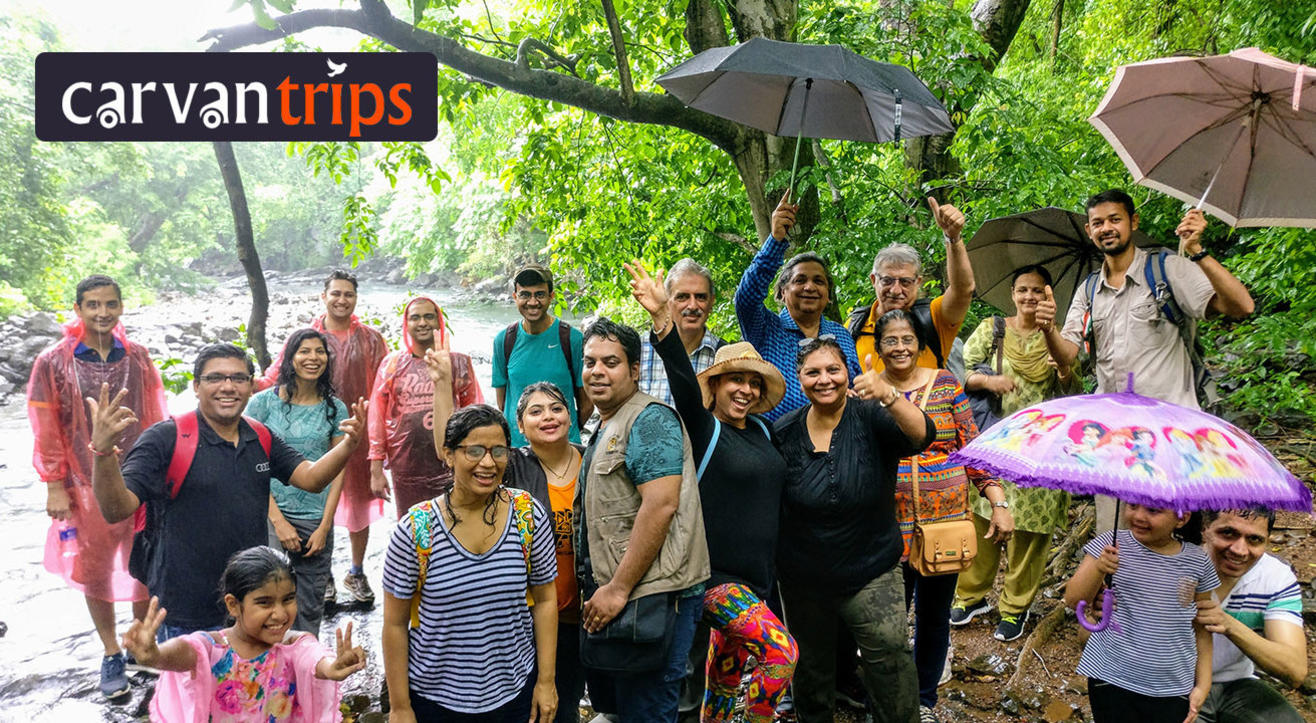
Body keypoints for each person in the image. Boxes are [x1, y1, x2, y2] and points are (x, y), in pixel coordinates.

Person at [89, 342, 366, 638]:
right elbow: (116, 508)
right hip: (185, 611)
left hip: (248, 608)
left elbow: (311, 479)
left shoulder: (259, 436)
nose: (228, 387)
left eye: (238, 378)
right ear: (196, 386)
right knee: (193, 685)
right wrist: (103, 453)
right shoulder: (165, 439)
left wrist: (348, 444)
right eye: (215, 378)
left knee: (251, 685)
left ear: (250, 386)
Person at [627, 262, 797, 723]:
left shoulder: (763, 431)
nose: (744, 389)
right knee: (781, 653)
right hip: (715, 578)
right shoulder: (704, 429)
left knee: (721, 689)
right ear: (717, 385)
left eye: (752, 382)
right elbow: (682, 378)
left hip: (757, 580)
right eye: (735, 380)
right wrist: (663, 317)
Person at [1036, 189, 1254, 532]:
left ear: (1133, 222)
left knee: (1171, 537)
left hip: (1171, 434)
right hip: (1113, 436)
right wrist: (1048, 328)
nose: (1106, 228)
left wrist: (1197, 251)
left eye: (1114, 219)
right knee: (1116, 536)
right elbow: (1068, 355)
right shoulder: (1089, 289)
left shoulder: (1167, 269)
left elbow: (1242, 306)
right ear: (1089, 230)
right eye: (1098, 223)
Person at [854, 309, 1014, 721]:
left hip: (944, 526)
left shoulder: (945, 386)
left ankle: (923, 699)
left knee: (933, 617)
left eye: (908, 339)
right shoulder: (867, 391)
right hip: (886, 531)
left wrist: (998, 502)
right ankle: (883, 701)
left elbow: (973, 452)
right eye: (891, 340)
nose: (901, 348)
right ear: (878, 347)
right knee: (884, 627)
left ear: (921, 344)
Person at [773, 335, 934, 723]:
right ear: (799, 379)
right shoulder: (784, 432)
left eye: (833, 370)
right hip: (803, 579)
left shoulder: (870, 415)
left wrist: (889, 395)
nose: (824, 379)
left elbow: (922, 434)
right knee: (810, 668)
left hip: (871, 569)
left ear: (848, 373)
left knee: (890, 655)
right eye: (813, 372)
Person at [26, 274, 168, 700]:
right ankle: (110, 651)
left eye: (110, 304)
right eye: (93, 305)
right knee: (95, 570)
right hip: (83, 483)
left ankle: (141, 643)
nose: (102, 312)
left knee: (144, 564)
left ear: (121, 307)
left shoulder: (138, 357)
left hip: (139, 477)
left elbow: (156, 413)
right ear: (79, 310)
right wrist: (53, 483)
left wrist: (162, 470)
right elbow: (45, 426)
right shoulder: (53, 362)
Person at [381, 404, 558, 723]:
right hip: (436, 702)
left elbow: (545, 601)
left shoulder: (527, 515)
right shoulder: (415, 530)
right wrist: (400, 706)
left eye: (499, 451)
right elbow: (394, 625)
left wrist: (546, 682)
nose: (488, 463)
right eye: (474, 451)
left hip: (514, 695)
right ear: (449, 455)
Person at [576, 317, 711, 722]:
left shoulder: (649, 419)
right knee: (625, 708)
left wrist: (617, 589)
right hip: (627, 593)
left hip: (655, 596)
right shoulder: (607, 421)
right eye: (590, 362)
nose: (597, 371)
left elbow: (661, 505)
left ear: (635, 370)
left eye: (611, 362)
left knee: (649, 710)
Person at [952, 265, 1080, 642]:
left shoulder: (1061, 337)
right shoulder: (994, 328)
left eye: (1038, 291)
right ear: (1012, 293)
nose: (1029, 297)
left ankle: (1015, 607)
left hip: (1043, 447)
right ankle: (971, 595)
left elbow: (1076, 385)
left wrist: (1055, 344)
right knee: (983, 516)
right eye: (1023, 290)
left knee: (1032, 530)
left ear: (1049, 296)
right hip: (995, 441)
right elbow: (959, 373)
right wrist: (989, 380)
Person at [258, 270, 390, 608]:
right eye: (336, 294)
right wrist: (243, 387)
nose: (342, 300)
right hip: (311, 436)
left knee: (359, 507)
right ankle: (324, 575)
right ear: (324, 296)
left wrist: (379, 441)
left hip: (354, 433)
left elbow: (386, 388)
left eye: (348, 294)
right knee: (314, 500)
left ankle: (356, 571)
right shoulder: (307, 337)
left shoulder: (371, 339)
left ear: (355, 299)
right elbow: (274, 376)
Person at [121, 546, 366, 722]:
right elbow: (183, 652)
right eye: (265, 602)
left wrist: (332, 667)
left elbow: (315, 660)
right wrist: (153, 655)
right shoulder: (212, 649)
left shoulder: (293, 646)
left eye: (288, 599)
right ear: (233, 605)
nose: (280, 614)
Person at [1064, 504, 1219, 723]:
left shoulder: (1197, 561)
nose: (1138, 516)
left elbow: (1201, 627)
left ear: (1182, 518)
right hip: (1111, 675)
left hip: (1172, 685)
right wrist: (1099, 568)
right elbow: (1073, 600)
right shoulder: (1110, 544)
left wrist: (1203, 685)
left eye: (1153, 510)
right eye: (1133, 505)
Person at [246, 328, 349, 633]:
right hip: (270, 516)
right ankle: (268, 674)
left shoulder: (335, 408)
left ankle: (306, 675)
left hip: (316, 519)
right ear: (290, 357)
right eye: (304, 351)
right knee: (266, 601)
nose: (312, 358)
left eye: (319, 351)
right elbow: (252, 468)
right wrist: (278, 522)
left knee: (309, 604)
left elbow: (338, 470)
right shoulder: (262, 404)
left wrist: (325, 525)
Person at [734, 194, 860, 421]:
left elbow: (855, 387)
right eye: (800, 280)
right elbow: (746, 297)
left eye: (818, 281)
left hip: (835, 445)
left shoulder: (841, 335)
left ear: (828, 295)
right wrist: (775, 240)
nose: (810, 287)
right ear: (782, 292)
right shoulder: (765, 329)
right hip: (777, 447)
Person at [503, 382, 587, 723]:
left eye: (556, 408)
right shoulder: (509, 466)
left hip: (580, 617)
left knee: (564, 705)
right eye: (535, 412)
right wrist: (441, 383)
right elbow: (453, 454)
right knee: (524, 707)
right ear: (520, 425)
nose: (548, 417)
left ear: (571, 416)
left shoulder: (594, 458)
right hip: (526, 617)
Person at [368, 296, 484, 518]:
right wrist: (376, 469)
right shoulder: (391, 365)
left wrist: (477, 458)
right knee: (413, 527)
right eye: (415, 318)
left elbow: (476, 415)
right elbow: (377, 418)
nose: (422, 323)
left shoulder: (459, 363)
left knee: (457, 522)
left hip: (453, 464)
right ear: (407, 324)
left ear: (439, 321)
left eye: (429, 316)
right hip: (405, 466)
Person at [1193, 509, 1306, 723]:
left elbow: (1295, 670)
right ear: (1205, 529)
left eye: (1254, 539)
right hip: (1175, 684)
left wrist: (1229, 625)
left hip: (1236, 683)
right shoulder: (1177, 567)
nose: (1239, 550)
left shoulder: (1275, 577)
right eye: (1228, 533)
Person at [848, 198, 975, 374]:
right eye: (887, 280)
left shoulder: (934, 319)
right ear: (873, 280)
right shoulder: (855, 326)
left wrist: (952, 237)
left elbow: (963, 290)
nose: (896, 290)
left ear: (918, 282)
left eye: (905, 282)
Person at [493, 264, 590, 447]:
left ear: (551, 296)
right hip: (518, 452)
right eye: (525, 294)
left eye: (539, 294)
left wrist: (562, 432)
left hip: (565, 451)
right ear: (515, 297)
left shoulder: (572, 339)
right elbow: (503, 403)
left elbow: (586, 404)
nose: (532, 302)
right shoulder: (504, 340)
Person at [638, 258, 726, 406]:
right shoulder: (639, 349)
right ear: (667, 301)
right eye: (682, 297)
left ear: (711, 302)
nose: (692, 305)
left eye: (700, 297)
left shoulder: (723, 357)